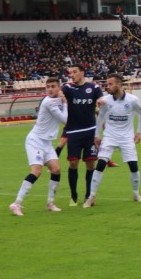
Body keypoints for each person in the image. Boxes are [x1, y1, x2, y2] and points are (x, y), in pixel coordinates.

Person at [84, 74, 141, 207]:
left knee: (134, 167)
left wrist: (139, 132)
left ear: (119, 84)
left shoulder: (132, 100)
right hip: (109, 137)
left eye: (110, 84)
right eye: (107, 84)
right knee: (100, 164)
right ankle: (92, 197)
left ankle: (136, 193)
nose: (108, 87)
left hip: (126, 138)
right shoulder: (106, 100)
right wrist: (96, 135)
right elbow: (100, 117)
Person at [8, 78, 67, 216]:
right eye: (48, 87)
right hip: (35, 140)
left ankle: (50, 203)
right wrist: (66, 103)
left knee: (56, 169)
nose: (50, 89)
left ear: (59, 88)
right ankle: (16, 203)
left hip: (46, 142)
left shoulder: (57, 99)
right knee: (36, 171)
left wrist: (64, 99)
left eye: (53, 86)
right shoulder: (48, 102)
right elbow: (65, 120)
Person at [59, 65, 104, 206]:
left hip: (90, 130)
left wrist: (101, 101)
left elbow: (101, 100)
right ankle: (73, 195)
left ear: (82, 73)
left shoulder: (94, 87)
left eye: (75, 72)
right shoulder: (68, 88)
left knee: (91, 164)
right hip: (73, 132)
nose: (72, 74)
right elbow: (60, 92)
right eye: (70, 72)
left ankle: (88, 196)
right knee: (73, 163)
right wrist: (61, 96)